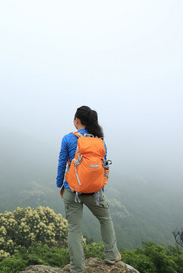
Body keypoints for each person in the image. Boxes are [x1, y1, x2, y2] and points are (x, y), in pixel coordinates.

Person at [57, 106, 121, 273]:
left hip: (72, 190)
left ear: (77, 120)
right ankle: (111, 255)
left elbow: (62, 164)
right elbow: (103, 167)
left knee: (74, 229)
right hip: (95, 192)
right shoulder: (100, 141)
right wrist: (100, 190)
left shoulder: (68, 139)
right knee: (105, 218)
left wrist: (60, 185)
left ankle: (77, 268)